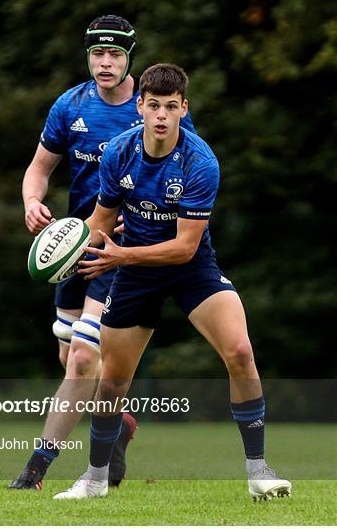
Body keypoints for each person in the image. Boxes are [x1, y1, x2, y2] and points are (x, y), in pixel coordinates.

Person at [52, 63, 292, 502]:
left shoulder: (201, 162)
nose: (161, 115)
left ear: (184, 109)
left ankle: (258, 470)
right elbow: (101, 221)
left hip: (191, 268)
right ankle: (94, 479)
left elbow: (183, 247)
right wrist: (64, 246)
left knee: (240, 351)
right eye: (154, 105)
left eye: (171, 106)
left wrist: (121, 255)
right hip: (136, 276)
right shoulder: (119, 154)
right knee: (112, 384)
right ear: (140, 107)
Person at [9, 17, 196, 490]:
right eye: (98, 55)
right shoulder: (70, 106)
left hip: (122, 250)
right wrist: (33, 202)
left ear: (130, 57)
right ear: (88, 56)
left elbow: (186, 171)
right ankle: (117, 426)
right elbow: (38, 169)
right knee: (68, 355)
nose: (105, 63)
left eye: (115, 55)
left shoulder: (152, 106)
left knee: (82, 362)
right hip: (76, 243)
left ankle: (35, 469)